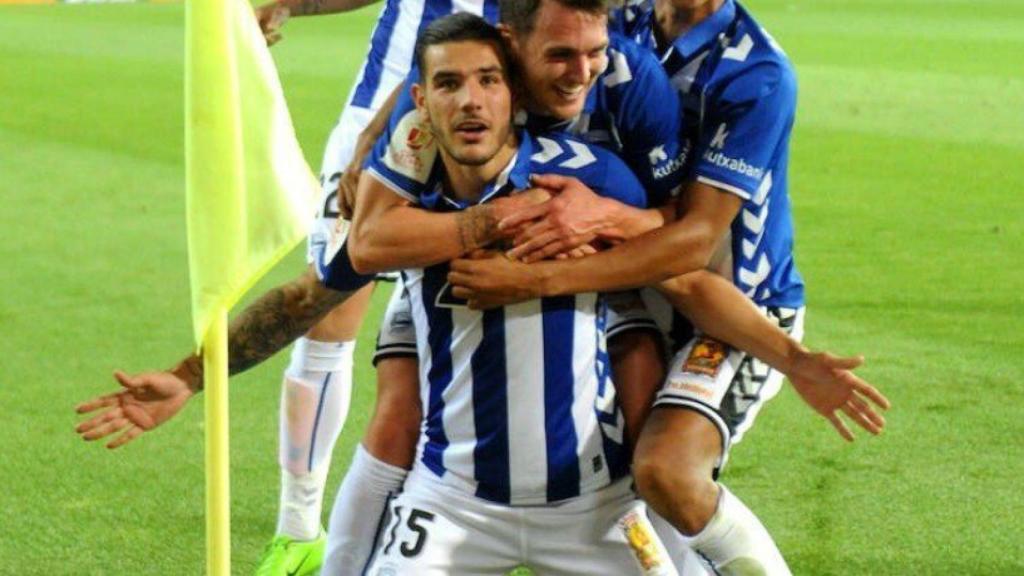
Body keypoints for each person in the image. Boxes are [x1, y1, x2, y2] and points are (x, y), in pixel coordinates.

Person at [446, 0, 890, 573]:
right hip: (629, 287)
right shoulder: (616, 24)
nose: (582, 67)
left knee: (666, 471)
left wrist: (594, 222)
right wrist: (370, 145)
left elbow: (696, 242)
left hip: (731, 309)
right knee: (605, 479)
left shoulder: (756, 72)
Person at [347, 14, 681, 574]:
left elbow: (681, 257)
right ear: (421, 101)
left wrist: (788, 355)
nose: (471, 101)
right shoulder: (403, 197)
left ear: (513, 91)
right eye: (449, 84)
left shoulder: (585, 180)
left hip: (595, 505)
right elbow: (352, 256)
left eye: (488, 81)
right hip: (451, 503)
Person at [248, 0, 504, 573]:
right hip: (378, 125)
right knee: (328, 312)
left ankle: (501, 512)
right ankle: (297, 527)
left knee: (490, 310)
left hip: (489, 125)